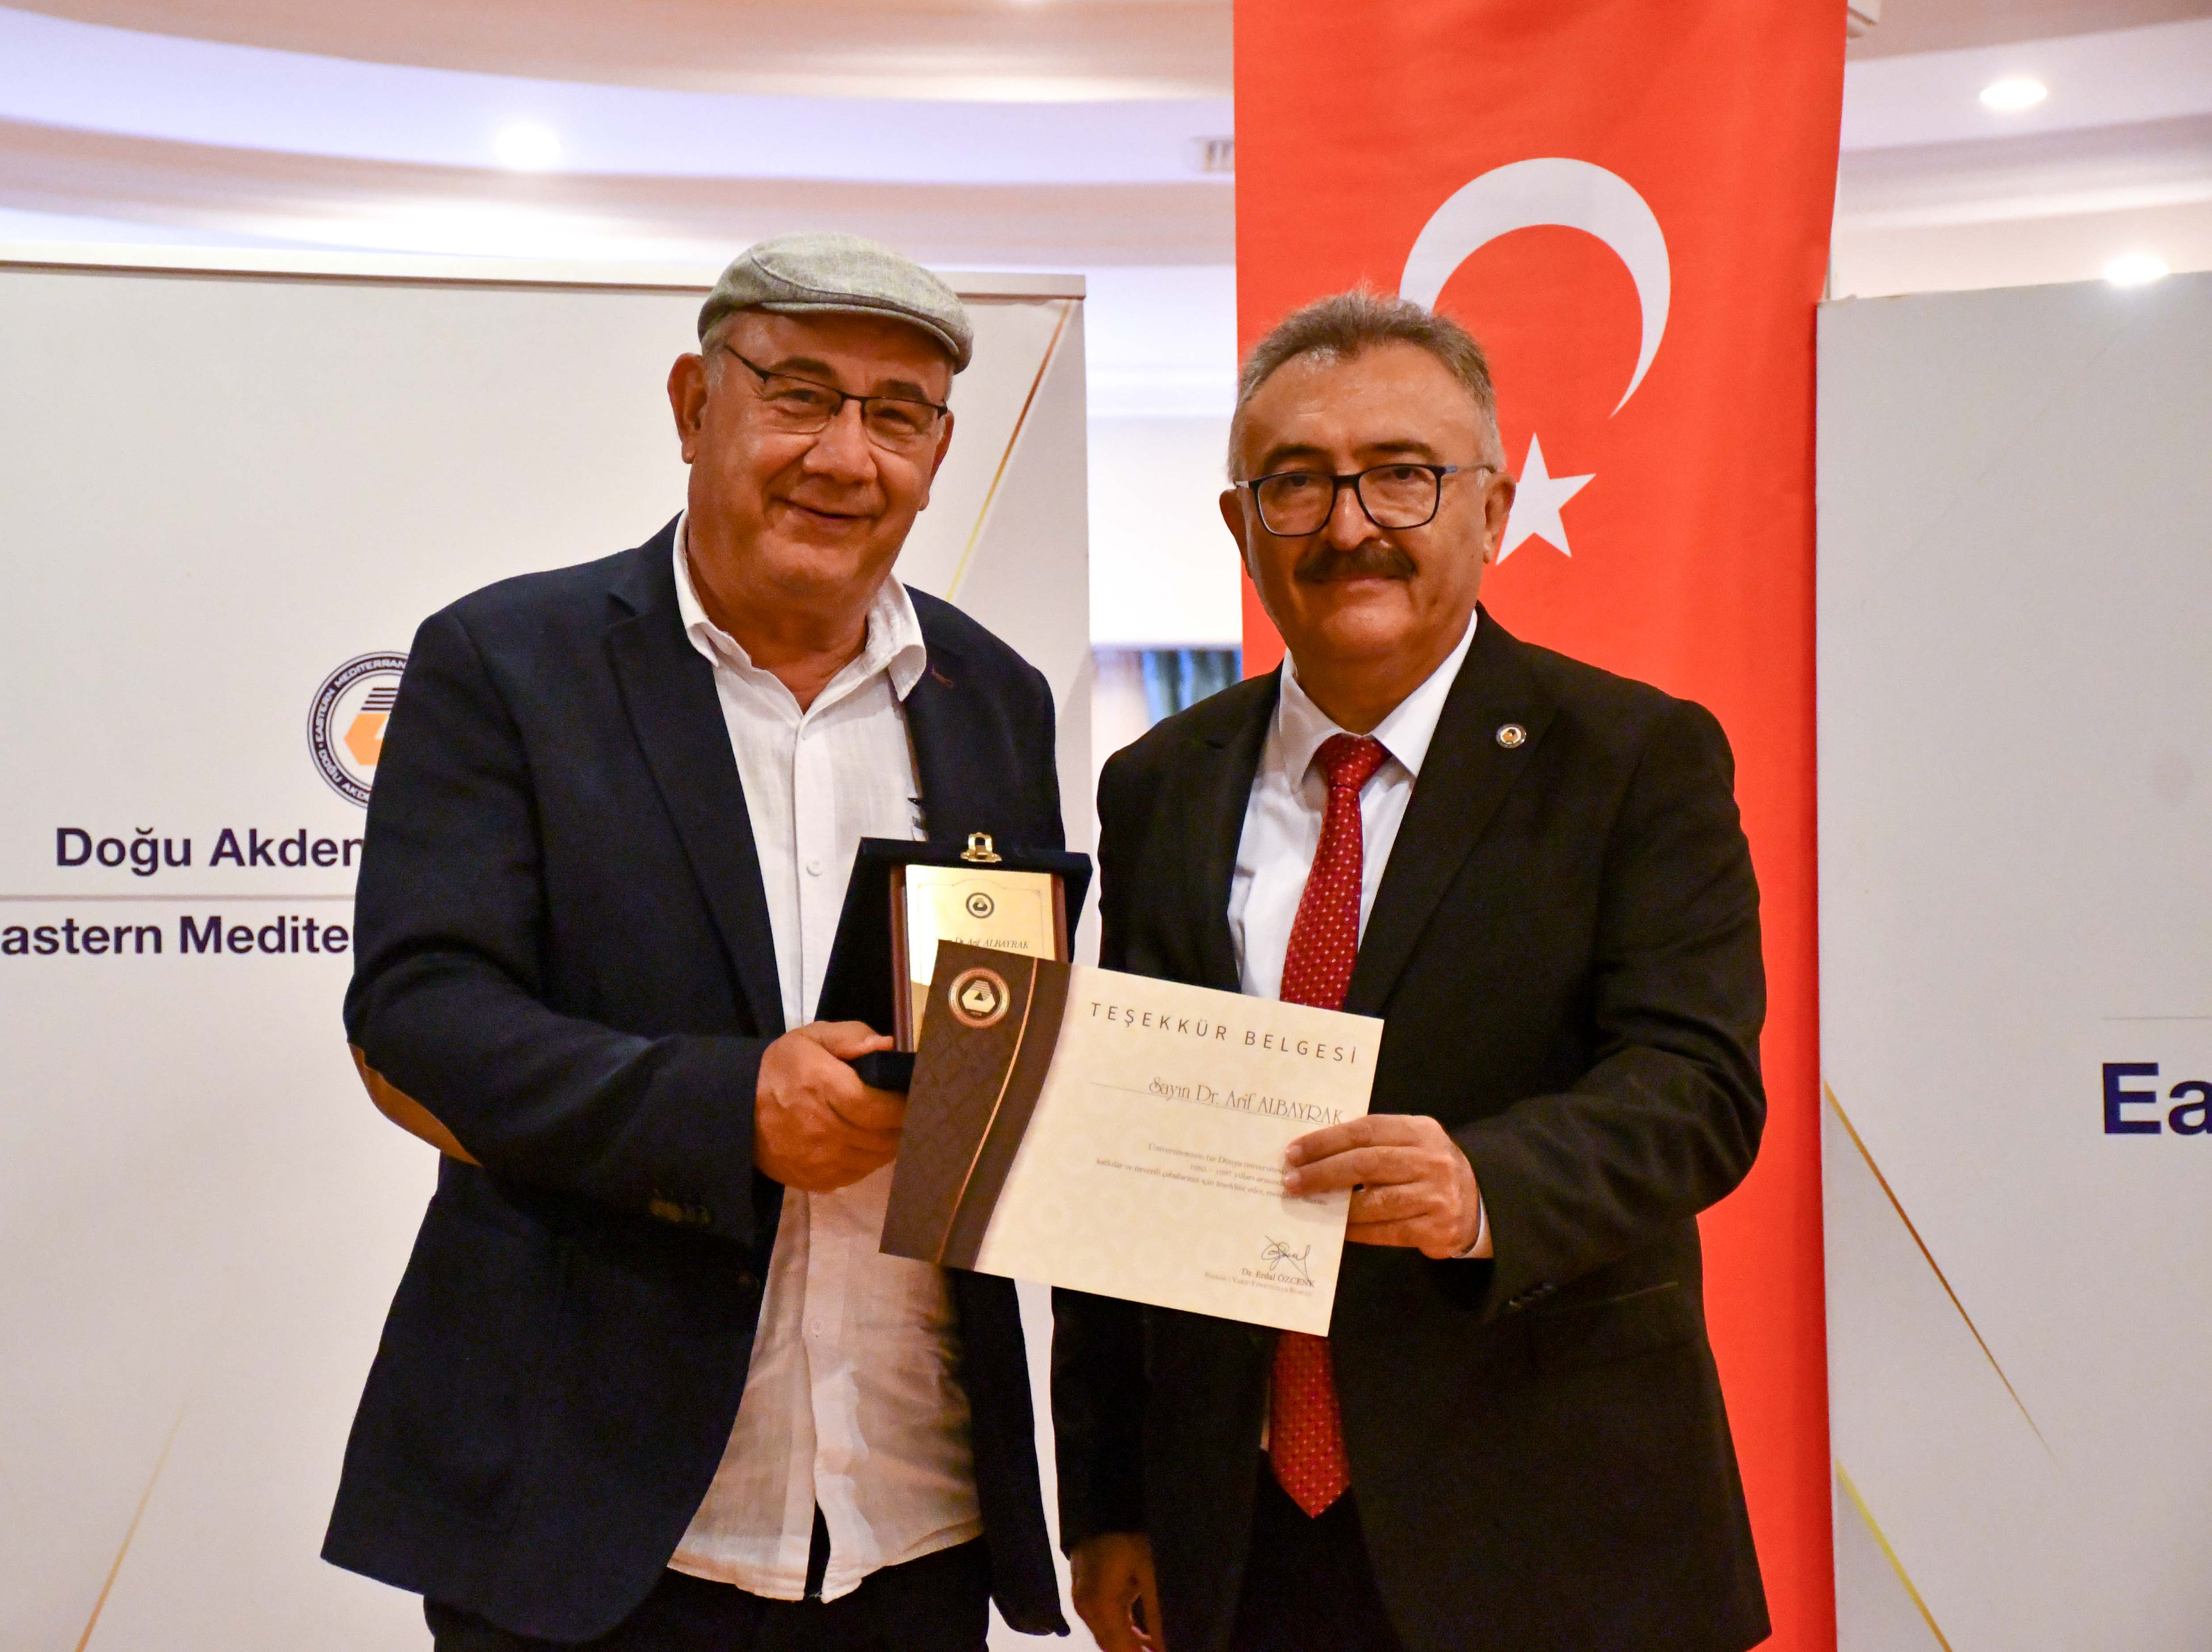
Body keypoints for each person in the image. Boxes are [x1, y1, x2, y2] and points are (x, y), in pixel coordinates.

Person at [323, 233, 1071, 1651]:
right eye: (800, 394)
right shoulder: (508, 663)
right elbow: (419, 1014)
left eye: (897, 414)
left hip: (913, 1521)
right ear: (693, 404)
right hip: (590, 1526)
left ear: (938, 452)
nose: (845, 456)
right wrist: (730, 1110)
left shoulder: (994, 697)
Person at [1055, 290, 1771, 1652]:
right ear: (1240, 525)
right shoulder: (1158, 784)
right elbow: (1122, 1145)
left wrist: (1481, 1184)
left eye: (1401, 476)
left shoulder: (1633, 757)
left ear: (1491, 510)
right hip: (1241, 1538)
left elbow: (1697, 1089)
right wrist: (1109, 1500)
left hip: (1553, 1524)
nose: (1349, 526)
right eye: (1296, 484)